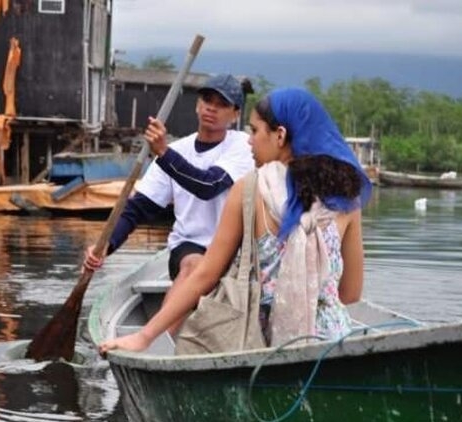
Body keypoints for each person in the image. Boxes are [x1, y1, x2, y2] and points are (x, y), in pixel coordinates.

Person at [99, 87, 373, 354]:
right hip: (332, 344)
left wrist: (144, 336)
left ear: (280, 135)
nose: (249, 140)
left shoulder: (250, 190)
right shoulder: (348, 197)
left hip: (263, 343)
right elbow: (350, 294)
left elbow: (205, 276)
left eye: (254, 131)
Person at [84, 74, 255, 288]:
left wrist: (163, 153)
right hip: (189, 247)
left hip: (233, 251)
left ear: (235, 114)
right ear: (197, 105)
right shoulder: (177, 151)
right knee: (194, 267)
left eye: (222, 105)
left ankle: (166, 320)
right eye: (207, 101)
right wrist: (106, 245)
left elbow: (208, 186)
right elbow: (137, 209)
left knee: (203, 269)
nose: (211, 108)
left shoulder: (243, 145)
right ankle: (166, 322)